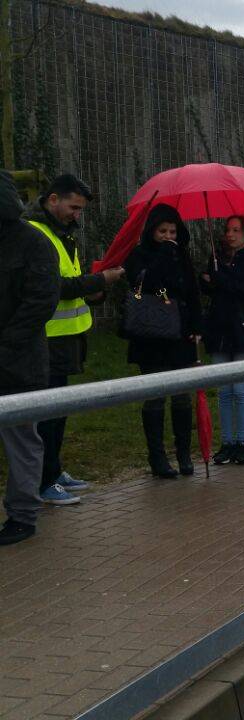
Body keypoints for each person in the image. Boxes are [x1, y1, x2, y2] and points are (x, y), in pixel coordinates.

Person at [25, 174, 122, 505]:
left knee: (59, 410)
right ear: (52, 199)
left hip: (65, 338)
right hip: (46, 339)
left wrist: (93, 290)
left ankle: (53, 470)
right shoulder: (37, 234)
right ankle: (43, 480)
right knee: (46, 413)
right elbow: (55, 287)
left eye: (80, 210)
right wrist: (98, 279)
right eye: (73, 207)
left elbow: (71, 282)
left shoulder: (62, 233)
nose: (76, 215)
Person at [0, 170, 60, 545]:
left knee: (22, 441)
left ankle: (22, 515)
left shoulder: (33, 243)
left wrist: (6, 345)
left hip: (18, 363)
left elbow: (40, 302)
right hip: (15, 354)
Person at [124, 205, 201, 478]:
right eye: (162, 231)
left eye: (172, 231)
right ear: (151, 231)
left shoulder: (182, 255)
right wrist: (164, 256)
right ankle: (157, 456)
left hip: (179, 333)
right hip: (151, 334)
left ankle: (183, 452)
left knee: (182, 396)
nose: (168, 236)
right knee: (155, 396)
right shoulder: (139, 255)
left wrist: (196, 325)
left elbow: (192, 292)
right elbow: (144, 284)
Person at [201, 214, 244, 464]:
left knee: (239, 387)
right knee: (223, 389)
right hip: (219, 327)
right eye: (228, 230)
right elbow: (212, 288)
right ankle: (226, 442)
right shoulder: (217, 257)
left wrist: (222, 281)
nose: (230, 234)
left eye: (236, 230)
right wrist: (207, 281)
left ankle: (242, 441)